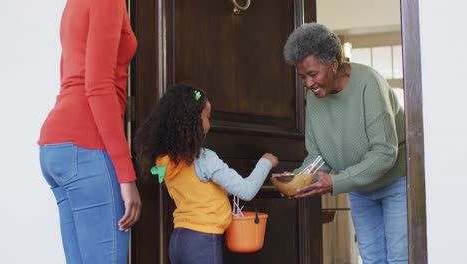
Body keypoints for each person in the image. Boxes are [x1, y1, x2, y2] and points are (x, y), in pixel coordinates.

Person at [282, 23, 408, 264]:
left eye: (312, 74)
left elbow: (384, 153)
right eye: (302, 77)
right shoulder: (315, 98)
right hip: (359, 188)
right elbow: (319, 155)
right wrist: (298, 178)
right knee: (371, 258)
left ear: (333, 64)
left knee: (399, 257)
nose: (308, 84)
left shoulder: (368, 84)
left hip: (395, 183)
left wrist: (337, 181)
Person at [38, 0, 141, 262]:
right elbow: (98, 85)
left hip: (56, 145)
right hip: (85, 143)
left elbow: (69, 75)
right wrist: (126, 176)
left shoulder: (73, 3)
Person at [134, 84, 278, 264]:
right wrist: (265, 162)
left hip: (179, 240)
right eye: (207, 117)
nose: (209, 124)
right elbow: (246, 190)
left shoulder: (164, 161)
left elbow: (198, 189)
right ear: (193, 121)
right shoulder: (204, 158)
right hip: (203, 241)